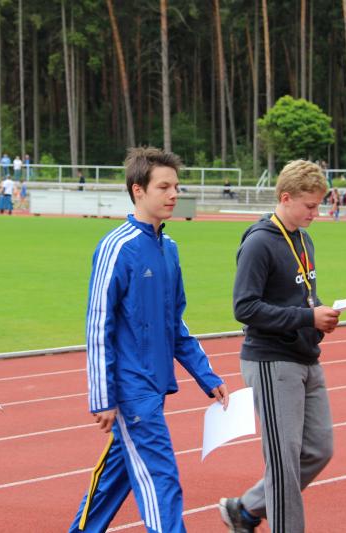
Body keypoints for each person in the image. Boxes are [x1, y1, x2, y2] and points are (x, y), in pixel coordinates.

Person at [69, 147, 229, 533]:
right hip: (131, 389)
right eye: (164, 187)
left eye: (176, 186)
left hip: (155, 385)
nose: (174, 194)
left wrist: (207, 376)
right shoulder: (116, 248)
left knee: (116, 478)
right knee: (160, 478)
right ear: (138, 190)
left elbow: (175, 323)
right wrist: (102, 397)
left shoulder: (169, 249)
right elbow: (98, 326)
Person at [219, 159, 339, 533]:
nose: (316, 214)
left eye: (318, 205)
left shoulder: (303, 238)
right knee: (283, 464)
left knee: (319, 449)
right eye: (310, 206)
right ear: (286, 198)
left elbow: (301, 295)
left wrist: (320, 314)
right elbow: (244, 308)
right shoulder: (259, 243)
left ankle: (245, 510)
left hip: (305, 356)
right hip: (272, 362)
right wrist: (307, 317)